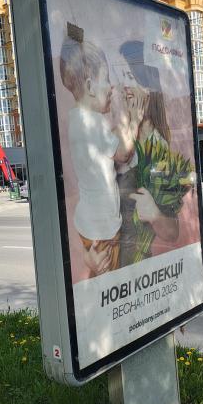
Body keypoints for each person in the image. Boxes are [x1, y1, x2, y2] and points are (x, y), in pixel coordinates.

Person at [59, 24, 147, 278]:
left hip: (91, 223)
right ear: (90, 86)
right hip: (102, 228)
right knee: (107, 275)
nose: (112, 87)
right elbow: (123, 153)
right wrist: (134, 120)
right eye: (106, 79)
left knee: (103, 274)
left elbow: (109, 146)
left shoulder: (77, 119)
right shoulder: (93, 122)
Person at [116, 40, 180, 268]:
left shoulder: (159, 150)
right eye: (120, 78)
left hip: (133, 267)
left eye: (129, 77)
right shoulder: (122, 137)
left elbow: (172, 231)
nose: (124, 87)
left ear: (149, 89)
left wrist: (155, 214)